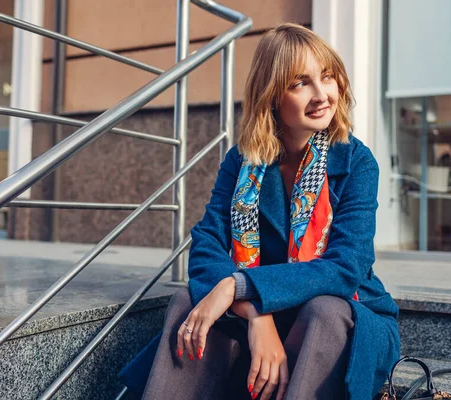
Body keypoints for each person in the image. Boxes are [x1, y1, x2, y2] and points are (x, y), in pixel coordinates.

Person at [120, 22, 400, 400]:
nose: (322, 95)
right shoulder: (242, 161)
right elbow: (206, 243)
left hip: (344, 313)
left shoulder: (355, 160)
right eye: (300, 83)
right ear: (271, 95)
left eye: (328, 78)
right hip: (272, 313)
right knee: (189, 301)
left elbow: (346, 267)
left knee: (323, 310)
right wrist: (255, 312)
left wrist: (239, 287)